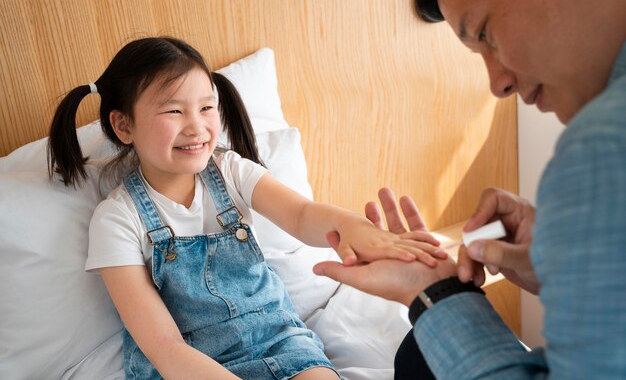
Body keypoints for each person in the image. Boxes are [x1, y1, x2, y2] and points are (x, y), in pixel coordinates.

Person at [46, 36, 446, 380]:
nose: (197, 126)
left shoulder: (230, 170)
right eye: (173, 110)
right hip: (189, 366)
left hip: (277, 338)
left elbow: (303, 215)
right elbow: (164, 347)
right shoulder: (117, 219)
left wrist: (355, 227)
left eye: (206, 108)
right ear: (123, 126)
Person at [314, 0, 626, 379]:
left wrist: (432, 292)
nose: (497, 84)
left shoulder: (601, 143)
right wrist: (566, 268)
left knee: (417, 356)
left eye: (486, 34)